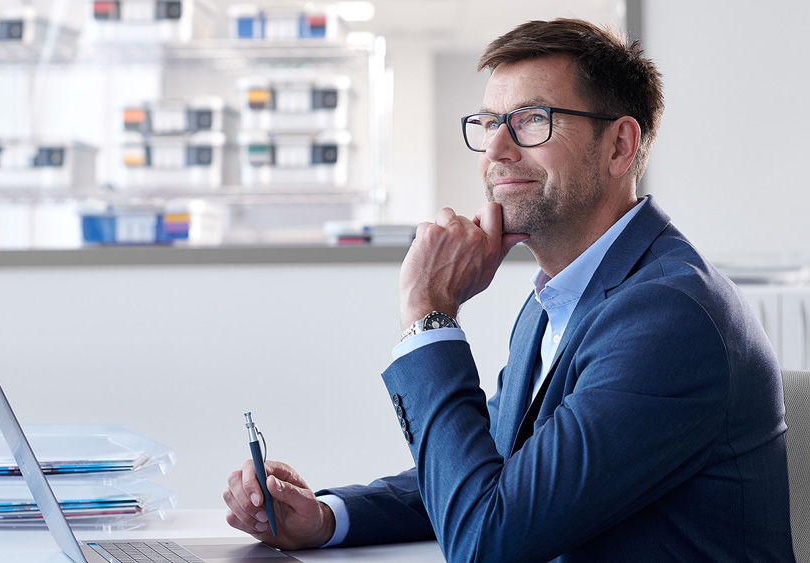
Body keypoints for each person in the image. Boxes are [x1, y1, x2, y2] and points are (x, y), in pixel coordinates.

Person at [223, 18, 795, 561]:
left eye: (530, 119)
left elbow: (487, 538)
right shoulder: (556, 300)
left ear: (619, 146)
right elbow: (493, 470)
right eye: (489, 123)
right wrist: (327, 517)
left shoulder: (669, 316)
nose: (495, 151)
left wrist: (429, 314)